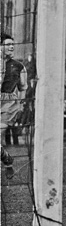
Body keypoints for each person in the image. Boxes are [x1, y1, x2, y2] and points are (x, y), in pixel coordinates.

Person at [1, 33, 26, 176]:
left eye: (12, 44)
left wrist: (21, 104)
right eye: (7, 44)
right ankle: (7, 159)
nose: (11, 47)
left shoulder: (19, 66)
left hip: (8, 104)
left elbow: (24, 87)